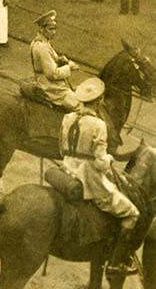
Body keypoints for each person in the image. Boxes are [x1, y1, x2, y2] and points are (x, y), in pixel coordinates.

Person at [59, 77, 140, 276]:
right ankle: (115, 262)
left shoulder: (67, 118)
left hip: (66, 168)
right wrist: (110, 160)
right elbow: (100, 161)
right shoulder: (98, 124)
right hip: (88, 176)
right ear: (99, 101)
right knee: (132, 213)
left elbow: (61, 149)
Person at [30, 10, 80, 110]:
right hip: (50, 88)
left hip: (47, 82)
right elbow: (53, 74)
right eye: (50, 29)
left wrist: (58, 59)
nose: (54, 32)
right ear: (41, 29)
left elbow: (47, 60)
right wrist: (69, 67)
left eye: (55, 29)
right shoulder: (42, 47)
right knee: (80, 105)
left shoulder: (41, 42)